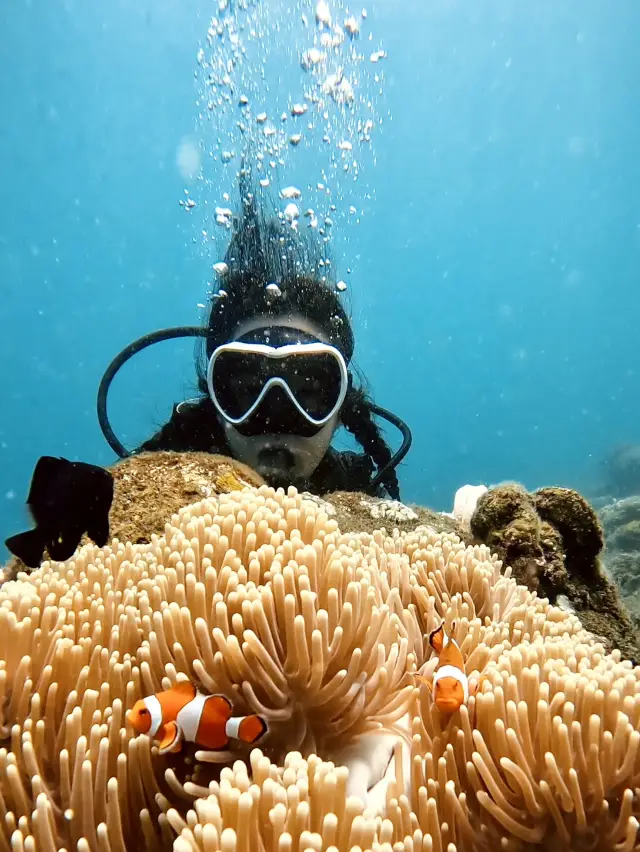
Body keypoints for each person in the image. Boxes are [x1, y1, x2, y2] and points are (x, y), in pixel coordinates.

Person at [97, 172, 412, 500]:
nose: (276, 418)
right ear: (217, 406)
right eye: (249, 390)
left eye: (307, 392)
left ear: (340, 411)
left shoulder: (358, 491)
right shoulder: (161, 486)